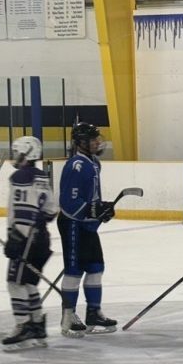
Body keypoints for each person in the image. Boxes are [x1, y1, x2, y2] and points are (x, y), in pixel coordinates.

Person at [57, 122, 117, 337]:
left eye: (97, 138)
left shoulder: (94, 163)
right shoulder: (76, 166)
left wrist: (101, 210)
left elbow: (92, 199)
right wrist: (92, 209)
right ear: (81, 143)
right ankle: (68, 315)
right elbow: (68, 203)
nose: (97, 142)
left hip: (87, 225)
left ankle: (93, 312)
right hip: (73, 223)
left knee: (96, 267)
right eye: (93, 139)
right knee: (74, 271)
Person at [3, 136, 58, 351]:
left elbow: (24, 210)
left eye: (17, 152)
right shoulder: (42, 176)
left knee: (14, 283)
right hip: (42, 238)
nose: (15, 156)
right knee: (28, 283)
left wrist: (17, 238)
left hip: (26, 238)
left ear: (27, 154)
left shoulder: (20, 176)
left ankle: (23, 325)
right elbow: (51, 211)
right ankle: (37, 324)